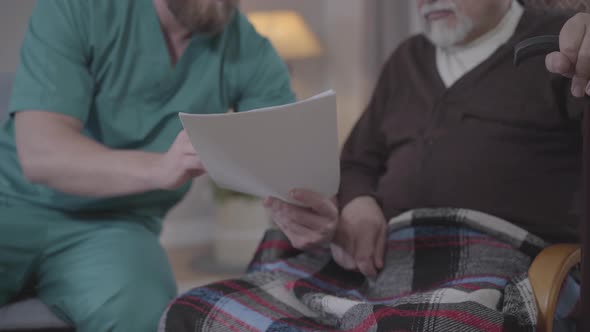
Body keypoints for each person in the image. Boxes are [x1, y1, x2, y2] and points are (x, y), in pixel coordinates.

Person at [161, 0, 590, 330]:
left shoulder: (565, 46)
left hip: (489, 264)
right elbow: (357, 161)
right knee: (195, 310)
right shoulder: (407, 59)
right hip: (380, 261)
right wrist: (360, 201)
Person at [0, 0, 294, 331]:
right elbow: (41, 154)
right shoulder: (77, 9)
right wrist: (159, 168)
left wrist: (309, 210)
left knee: (143, 311)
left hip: (116, 228)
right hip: (10, 203)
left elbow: (292, 166)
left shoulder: (250, 51)